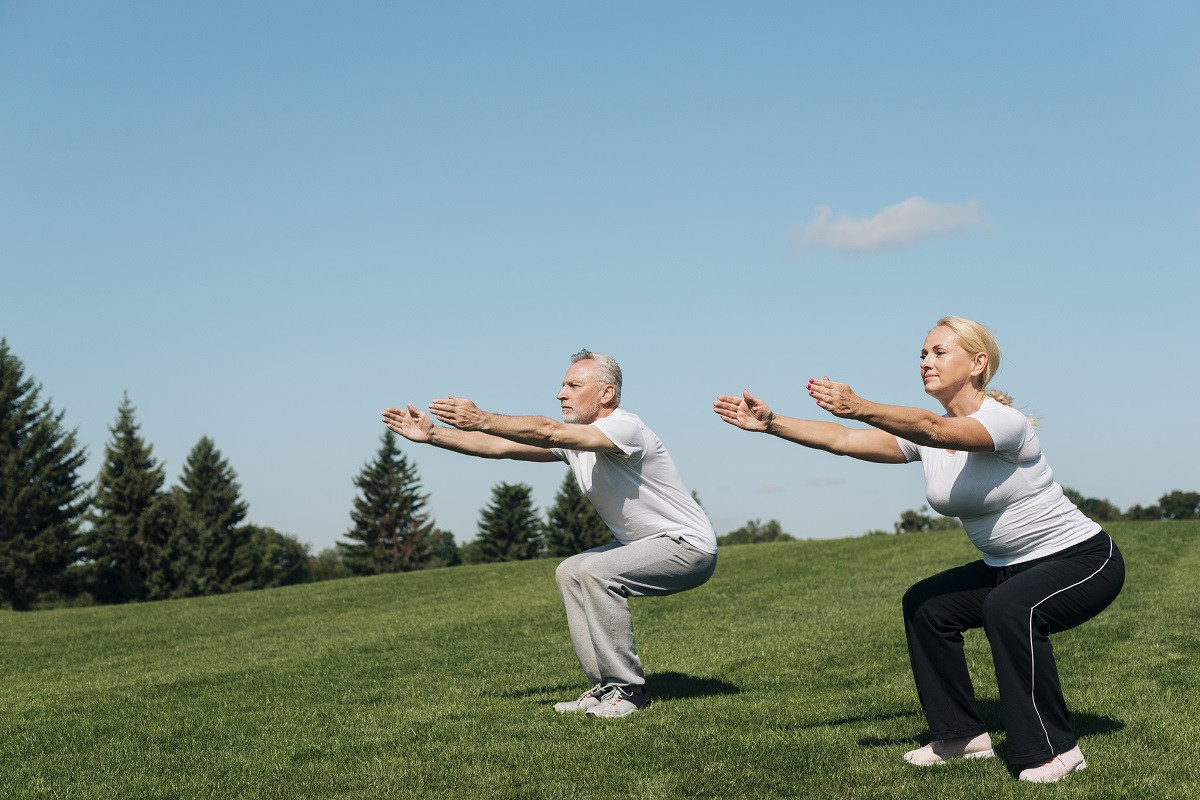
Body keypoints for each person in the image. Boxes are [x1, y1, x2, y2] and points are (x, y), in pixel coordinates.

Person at [713, 316, 1124, 783]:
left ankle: (1057, 749)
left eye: (938, 353)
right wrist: (773, 423)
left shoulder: (1002, 423)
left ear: (977, 363)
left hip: (1082, 559)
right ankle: (961, 735)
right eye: (922, 355)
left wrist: (861, 405)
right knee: (927, 605)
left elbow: (935, 430)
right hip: (1006, 567)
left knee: (1011, 609)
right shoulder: (928, 435)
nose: (926, 362)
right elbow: (846, 440)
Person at [383, 349, 717, 718]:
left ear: (606, 394)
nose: (561, 393)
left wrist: (481, 417)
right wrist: (433, 434)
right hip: (646, 546)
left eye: (574, 385)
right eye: (562, 385)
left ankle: (630, 692)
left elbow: (547, 430)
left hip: (688, 547)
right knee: (570, 570)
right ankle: (608, 686)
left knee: (596, 571)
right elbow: (500, 447)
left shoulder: (626, 428)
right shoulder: (575, 444)